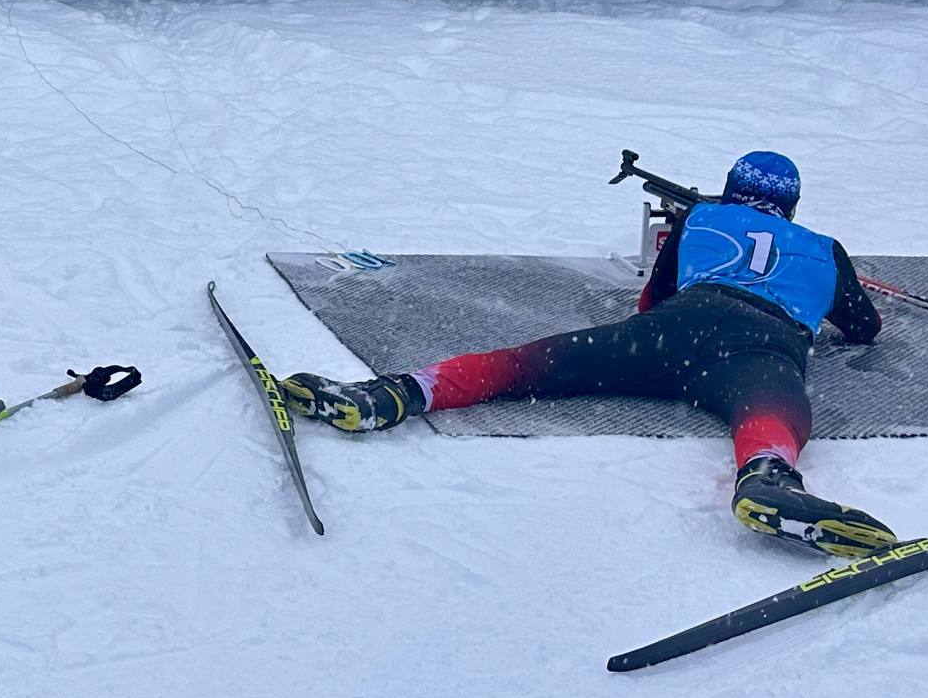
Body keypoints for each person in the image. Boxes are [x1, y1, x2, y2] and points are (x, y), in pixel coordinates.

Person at [281, 151, 896, 556]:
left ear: (732, 190)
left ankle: (395, 393)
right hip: (764, 344)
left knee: (528, 365)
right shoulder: (824, 247)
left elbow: (652, 301)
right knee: (773, 407)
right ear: (792, 206)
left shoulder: (702, 218)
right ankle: (766, 479)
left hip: (676, 329)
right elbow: (863, 328)